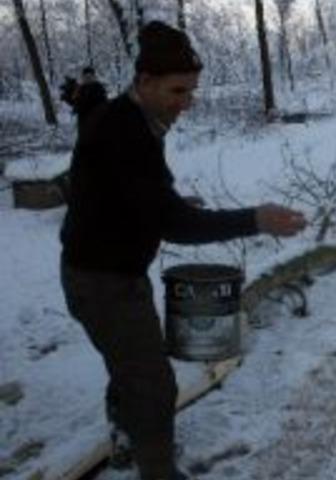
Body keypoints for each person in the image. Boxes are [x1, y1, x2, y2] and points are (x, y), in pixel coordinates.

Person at [59, 21, 307, 480]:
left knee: (130, 363)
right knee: (152, 383)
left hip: (107, 272)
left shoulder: (127, 117)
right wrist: (256, 219)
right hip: (101, 282)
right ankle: (157, 471)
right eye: (178, 91)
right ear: (144, 82)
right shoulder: (124, 134)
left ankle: (127, 438)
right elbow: (175, 226)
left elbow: (123, 183)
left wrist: (161, 202)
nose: (187, 103)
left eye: (191, 91)